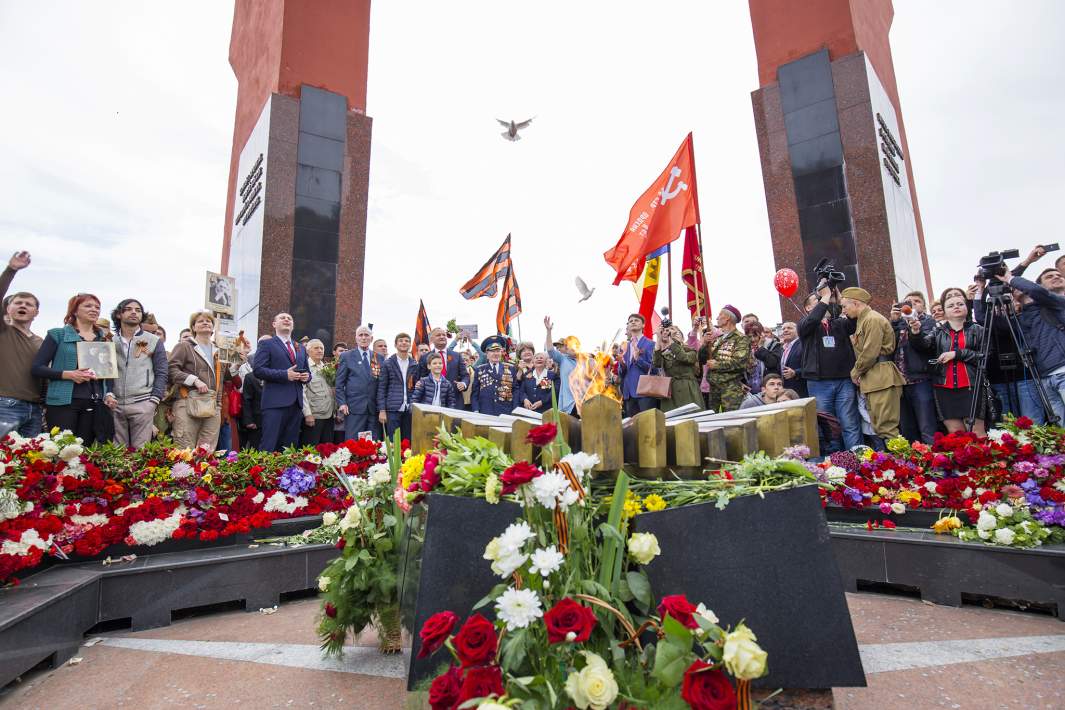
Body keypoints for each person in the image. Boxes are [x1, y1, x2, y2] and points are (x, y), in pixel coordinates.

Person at [32, 293, 115, 444]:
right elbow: (37, 368)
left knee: (85, 452)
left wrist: (109, 393)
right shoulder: (57, 334)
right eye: (88, 306)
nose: (94, 310)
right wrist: (67, 374)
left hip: (94, 403)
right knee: (63, 450)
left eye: (97, 307)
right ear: (75, 310)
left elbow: (108, 375)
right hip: (63, 403)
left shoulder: (103, 340)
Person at [909, 288, 987, 435]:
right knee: (955, 432)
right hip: (944, 387)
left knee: (976, 431)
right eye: (950, 305)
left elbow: (985, 357)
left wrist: (957, 354)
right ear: (944, 311)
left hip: (972, 386)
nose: (956, 307)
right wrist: (915, 332)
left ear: (967, 307)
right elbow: (922, 346)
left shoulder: (979, 330)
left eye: (960, 304)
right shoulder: (937, 331)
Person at [970, 282, 1045, 424]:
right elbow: (980, 317)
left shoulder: (1022, 318)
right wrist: (980, 288)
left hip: (1025, 377)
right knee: (1007, 425)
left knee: (1032, 422)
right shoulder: (988, 322)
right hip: (998, 379)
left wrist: (1009, 278)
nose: (1002, 305)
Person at [840, 287, 905, 448]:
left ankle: (905, 466)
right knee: (879, 427)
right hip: (874, 377)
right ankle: (895, 465)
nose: (843, 311)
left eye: (844, 306)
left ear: (855, 303)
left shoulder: (872, 319)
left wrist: (855, 372)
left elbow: (870, 352)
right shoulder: (865, 319)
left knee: (887, 428)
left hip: (881, 376)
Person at [797, 288, 861, 452]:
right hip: (819, 383)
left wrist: (840, 300)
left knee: (850, 423)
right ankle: (835, 465)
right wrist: (825, 296)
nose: (822, 302)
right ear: (808, 308)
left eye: (823, 299)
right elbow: (812, 321)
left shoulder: (839, 323)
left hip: (844, 381)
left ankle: (858, 460)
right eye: (816, 301)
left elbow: (854, 322)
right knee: (829, 427)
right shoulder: (805, 325)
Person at [1003, 268, 1065, 422]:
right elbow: (985, 318)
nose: (1056, 277)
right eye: (1049, 276)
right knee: (1061, 429)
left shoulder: (1055, 303)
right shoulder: (1021, 316)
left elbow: (1037, 291)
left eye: (1058, 275)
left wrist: (1010, 278)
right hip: (1044, 378)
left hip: (1062, 370)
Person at [109, 298, 168, 448]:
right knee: (117, 453)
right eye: (128, 309)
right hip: (114, 403)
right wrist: (108, 393)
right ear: (118, 315)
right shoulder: (110, 341)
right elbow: (105, 371)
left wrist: (153, 401)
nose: (134, 312)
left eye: (138, 310)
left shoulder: (153, 340)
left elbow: (162, 372)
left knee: (141, 454)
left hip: (143, 402)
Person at [167, 310, 230, 449]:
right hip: (187, 401)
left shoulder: (219, 350)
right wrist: (194, 380)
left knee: (207, 451)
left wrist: (239, 360)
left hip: (213, 404)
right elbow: (171, 370)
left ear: (213, 328)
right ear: (193, 327)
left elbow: (227, 376)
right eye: (200, 321)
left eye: (208, 321)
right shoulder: (184, 346)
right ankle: (184, 472)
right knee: (185, 449)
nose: (205, 323)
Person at [0, 251, 45, 438]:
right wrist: (11, 270)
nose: (23, 306)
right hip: (5, 406)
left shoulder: (41, 341)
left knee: (27, 464)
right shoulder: (4, 330)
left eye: (29, 304)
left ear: (36, 312)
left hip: (34, 409)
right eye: (18, 302)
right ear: (7, 309)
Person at [252, 312, 311, 451]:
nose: (286, 319)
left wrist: (306, 377)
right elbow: (258, 370)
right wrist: (285, 375)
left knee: (290, 447)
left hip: (296, 404)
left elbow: (307, 372)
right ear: (274, 324)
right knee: (269, 444)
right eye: (282, 318)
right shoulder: (267, 344)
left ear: (293, 325)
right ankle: (265, 472)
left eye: (289, 318)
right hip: (275, 404)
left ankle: (287, 473)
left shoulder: (300, 348)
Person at [889, 291, 939, 443]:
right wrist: (894, 322)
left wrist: (914, 326)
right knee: (907, 429)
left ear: (924, 305)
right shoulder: (899, 324)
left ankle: (934, 461)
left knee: (927, 426)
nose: (912, 304)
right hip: (900, 382)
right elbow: (887, 345)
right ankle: (913, 464)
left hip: (920, 379)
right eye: (908, 302)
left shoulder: (929, 322)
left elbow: (924, 345)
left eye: (916, 301)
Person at [336, 326, 383, 440]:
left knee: (373, 445)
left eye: (366, 335)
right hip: (354, 408)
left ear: (371, 339)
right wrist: (342, 403)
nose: (363, 338)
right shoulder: (346, 356)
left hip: (373, 409)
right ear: (356, 338)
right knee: (353, 443)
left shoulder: (379, 357)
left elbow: (381, 384)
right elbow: (339, 384)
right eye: (360, 335)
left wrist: (382, 407)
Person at [701, 305, 751, 413]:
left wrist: (717, 365)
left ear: (727, 317)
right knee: (713, 421)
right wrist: (704, 344)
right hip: (714, 388)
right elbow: (702, 359)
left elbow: (740, 362)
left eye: (719, 315)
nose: (717, 318)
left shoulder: (741, 338)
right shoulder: (717, 339)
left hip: (730, 389)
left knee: (732, 421)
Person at [377, 332, 419, 440]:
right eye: (401, 341)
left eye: (406, 341)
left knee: (407, 442)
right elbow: (381, 388)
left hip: (409, 409)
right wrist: (382, 410)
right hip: (392, 409)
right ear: (395, 345)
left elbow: (416, 388)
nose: (404, 343)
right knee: (392, 441)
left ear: (410, 344)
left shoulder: (414, 364)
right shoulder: (388, 363)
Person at [653, 324, 703, 413]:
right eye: (666, 330)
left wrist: (671, 342)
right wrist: (658, 339)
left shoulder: (690, 350)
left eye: (672, 329)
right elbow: (656, 363)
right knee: (673, 421)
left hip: (688, 389)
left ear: (680, 336)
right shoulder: (664, 352)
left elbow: (684, 357)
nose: (668, 332)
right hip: (671, 391)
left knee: (692, 417)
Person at [616, 313, 655, 417]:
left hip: (645, 392)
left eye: (636, 320)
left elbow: (654, 369)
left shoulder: (650, 344)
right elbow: (621, 373)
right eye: (631, 321)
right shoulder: (624, 346)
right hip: (628, 393)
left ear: (643, 325)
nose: (633, 322)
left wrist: (638, 359)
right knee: (632, 428)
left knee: (647, 425)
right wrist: (622, 365)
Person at [300, 338, 336, 446]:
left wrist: (335, 411)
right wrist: (308, 414)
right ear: (308, 351)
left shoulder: (326, 367)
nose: (320, 350)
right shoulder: (304, 368)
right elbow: (302, 393)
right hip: (314, 416)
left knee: (327, 450)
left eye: (322, 348)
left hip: (329, 416)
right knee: (311, 451)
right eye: (316, 348)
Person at [471, 335, 517, 416]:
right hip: (485, 411)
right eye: (492, 351)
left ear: (501, 352)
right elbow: (475, 393)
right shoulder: (480, 370)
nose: (495, 354)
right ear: (487, 354)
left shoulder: (510, 368)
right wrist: (475, 410)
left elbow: (515, 390)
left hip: (506, 412)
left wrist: (515, 409)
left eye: (498, 351)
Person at [419, 327, 470, 396]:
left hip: (454, 399)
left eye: (444, 335)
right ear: (432, 339)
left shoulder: (457, 356)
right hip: (432, 400)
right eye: (438, 335)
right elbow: (421, 378)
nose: (442, 337)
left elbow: (465, 375)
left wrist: (463, 384)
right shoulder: (424, 358)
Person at [543, 316, 578, 415]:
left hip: (584, 404)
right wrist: (549, 331)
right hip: (569, 405)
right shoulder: (563, 359)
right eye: (557, 348)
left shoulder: (585, 361)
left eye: (561, 346)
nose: (559, 349)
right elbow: (550, 350)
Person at [778, 321, 806, 398]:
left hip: (801, 391)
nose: (785, 330)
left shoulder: (803, 344)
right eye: (783, 329)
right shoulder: (783, 348)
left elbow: (810, 366)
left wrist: (795, 372)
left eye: (789, 328)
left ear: (798, 331)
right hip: (788, 392)